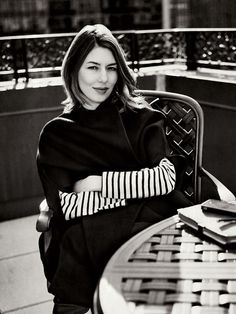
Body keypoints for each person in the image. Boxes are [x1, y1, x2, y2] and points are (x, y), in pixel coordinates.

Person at [37, 24, 192, 314]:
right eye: (93, 67)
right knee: (74, 242)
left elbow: (166, 180)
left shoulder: (142, 117)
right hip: (89, 239)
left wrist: (97, 182)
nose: (104, 79)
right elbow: (68, 206)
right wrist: (138, 189)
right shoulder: (57, 134)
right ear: (73, 70)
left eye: (111, 68)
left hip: (151, 231)